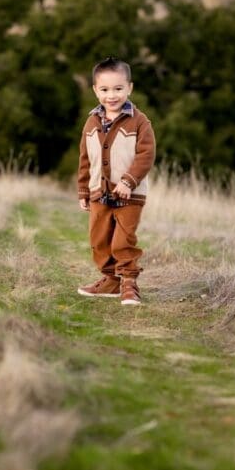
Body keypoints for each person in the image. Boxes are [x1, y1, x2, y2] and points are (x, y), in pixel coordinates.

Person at [77, 56, 155, 306]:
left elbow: (146, 155)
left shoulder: (139, 121)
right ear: (95, 91)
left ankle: (129, 282)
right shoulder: (91, 122)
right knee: (99, 240)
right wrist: (83, 190)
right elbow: (85, 158)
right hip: (98, 193)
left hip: (129, 195)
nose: (112, 95)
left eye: (118, 88)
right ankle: (111, 280)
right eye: (105, 89)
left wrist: (129, 181)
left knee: (123, 239)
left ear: (129, 88)